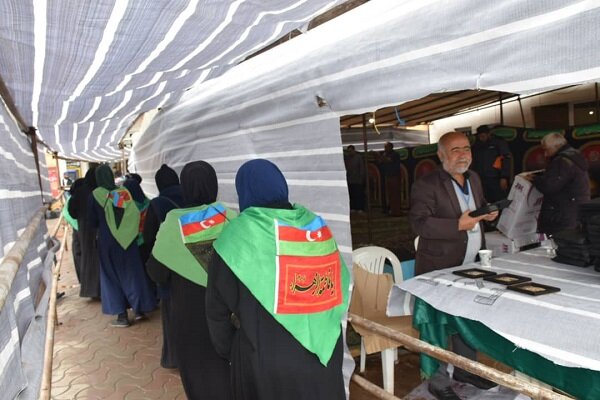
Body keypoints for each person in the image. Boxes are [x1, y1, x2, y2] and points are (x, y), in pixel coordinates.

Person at [206, 159, 349, 400]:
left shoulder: (239, 236)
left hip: (265, 361)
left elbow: (216, 309)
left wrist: (230, 350)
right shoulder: (316, 228)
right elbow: (338, 285)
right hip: (324, 354)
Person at [409, 131, 498, 399]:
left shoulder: (474, 178)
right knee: (435, 324)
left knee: (465, 319)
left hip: (470, 264)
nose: (463, 154)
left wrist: (488, 213)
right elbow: (419, 223)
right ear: (441, 155)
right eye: (455, 149)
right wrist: (457, 225)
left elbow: (476, 210)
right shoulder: (427, 184)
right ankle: (438, 381)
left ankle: (465, 370)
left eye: (466, 149)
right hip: (438, 267)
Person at [147, 161, 234, 399]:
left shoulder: (173, 223)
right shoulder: (231, 218)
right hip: (229, 314)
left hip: (188, 316)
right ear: (214, 185)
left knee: (198, 376)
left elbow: (156, 272)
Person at [89, 165, 156, 327]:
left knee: (111, 277)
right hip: (128, 241)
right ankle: (139, 309)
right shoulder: (122, 193)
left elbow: (92, 221)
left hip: (108, 242)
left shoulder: (96, 195)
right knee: (133, 273)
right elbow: (133, 213)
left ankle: (122, 316)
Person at [142, 164, 183, 369]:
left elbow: (148, 236)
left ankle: (174, 358)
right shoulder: (193, 195)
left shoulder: (158, 204)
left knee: (172, 315)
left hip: (169, 268)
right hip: (197, 266)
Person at [527, 133, 590, 236]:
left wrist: (535, 179)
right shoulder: (575, 156)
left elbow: (550, 186)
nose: (545, 154)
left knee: (562, 246)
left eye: (547, 150)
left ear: (556, 147)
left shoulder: (561, 161)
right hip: (577, 210)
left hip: (563, 213)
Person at [68, 167, 101, 299]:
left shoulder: (79, 192)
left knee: (88, 257)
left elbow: (72, 211)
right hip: (99, 228)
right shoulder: (99, 191)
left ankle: (91, 291)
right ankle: (101, 290)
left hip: (84, 230)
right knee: (100, 259)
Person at [471, 125, 512, 203]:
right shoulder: (476, 145)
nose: (481, 138)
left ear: (488, 134)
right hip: (481, 179)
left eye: (483, 136)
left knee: (499, 201)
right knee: (486, 201)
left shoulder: (499, 143)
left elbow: (506, 160)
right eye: (479, 136)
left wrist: (504, 177)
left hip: (496, 179)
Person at [378, 142, 402, 215]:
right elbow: (380, 162)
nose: (385, 149)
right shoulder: (385, 154)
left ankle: (396, 211)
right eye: (384, 147)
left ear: (391, 147)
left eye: (386, 147)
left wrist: (380, 156)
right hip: (387, 176)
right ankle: (390, 209)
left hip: (394, 176)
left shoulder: (395, 154)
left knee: (395, 194)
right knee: (389, 194)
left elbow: (388, 160)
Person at [344, 145, 366, 212]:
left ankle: (360, 208)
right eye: (348, 151)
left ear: (354, 150)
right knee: (352, 194)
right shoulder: (347, 158)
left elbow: (361, 168)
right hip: (350, 179)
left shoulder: (358, 157)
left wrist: (361, 178)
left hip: (358, 179)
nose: (350, 152)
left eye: (351, 151)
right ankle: (353, 207)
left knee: (358, 194)